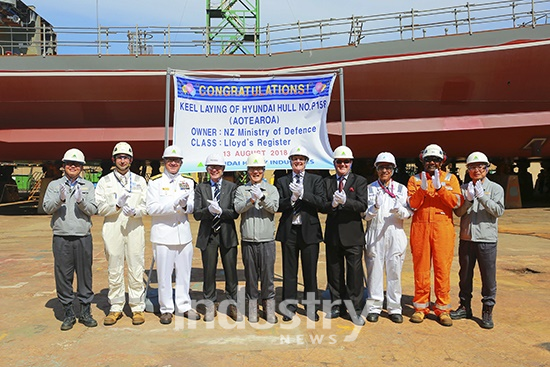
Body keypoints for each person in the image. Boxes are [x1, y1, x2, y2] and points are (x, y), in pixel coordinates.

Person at [407, 143, 463, 326]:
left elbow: (455, 203)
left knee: (442, 269)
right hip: (420, 227)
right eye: (429, 159)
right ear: (423, 160)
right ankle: (421, 307)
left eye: (436, 160)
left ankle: (442, 308)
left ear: (441, 161)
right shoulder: (414, 180)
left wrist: (440, 189)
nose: (432, 162)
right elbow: (412, 205)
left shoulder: (451, 179)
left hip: (443, 229)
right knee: (421, 269)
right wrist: (423, 189)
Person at [42, 148, 98, 331]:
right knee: (63, 276)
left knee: (85, 275)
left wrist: (81, 201)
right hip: (62, 237)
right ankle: (68, 312)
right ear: (63, 166)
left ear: (82, 167)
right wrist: (60, 199)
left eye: (77, 164)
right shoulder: (54, 185)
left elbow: (93, 210)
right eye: (69, 164)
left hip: (83, 237)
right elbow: (47, 208)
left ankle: (85, 311)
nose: (73, 167)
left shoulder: (88, 186)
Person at [146, 145, 200, 324]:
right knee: (164, 275)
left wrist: (185, 206)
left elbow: (191, 207)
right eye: (170, 161)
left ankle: (184, 305)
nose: (173, 163)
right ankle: (166, 308)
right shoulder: (155, 182)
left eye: (176, 161)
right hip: (163, 235)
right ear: (164, 162)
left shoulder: (188, 182)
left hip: (183, 234)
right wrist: (174, 204)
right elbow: (151, 208)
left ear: (181, 163)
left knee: (184, 273)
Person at [95, 142, 147, 326]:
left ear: (131, 160)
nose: (122, 160)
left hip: (134, 226)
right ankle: (115, 307)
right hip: (112, 226)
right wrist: (116, 206)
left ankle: (137, 307)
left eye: (126, 157)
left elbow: (147, 205)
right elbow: (99, 208)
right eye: (119, 157)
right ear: (113, 159)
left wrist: (136, 211)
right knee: (114, 266)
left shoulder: (140, 181)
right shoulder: (105, 181)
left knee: (136, 266)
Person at [450, 152, 505, 329]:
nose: (477, 170)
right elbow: (458, 213)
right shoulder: (464, 188)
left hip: (486, 240)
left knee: (488, 277)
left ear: (487, 169)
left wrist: (482, 197)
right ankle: (464, 306)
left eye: (480, 167)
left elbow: (498, 211)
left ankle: (487, 310)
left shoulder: (496, 189)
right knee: (465, 276)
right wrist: (468, 200)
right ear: (468, 169)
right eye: (473, 167)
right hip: (467, 238)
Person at [275, 146, 325, 322]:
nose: (298, 162)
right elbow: (277, 205)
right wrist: (291, 200)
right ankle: (289, 307)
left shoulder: (315, 180)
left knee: (310, 271)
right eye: (295, 159)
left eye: (301, 159)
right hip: (289, 230)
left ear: (306, 162)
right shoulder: (282, 180)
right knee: (289, 271)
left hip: (309, 230)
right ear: (290, 161)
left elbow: (321, 202)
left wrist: (303, 195)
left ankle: (311, 307)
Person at [321, 145, 368, 326]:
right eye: (339, 161)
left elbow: (362, 205)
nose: (342, 164)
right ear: (334, 163)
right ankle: (336, 305)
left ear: (351, 163)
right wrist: (332, 205)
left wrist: (346, 202)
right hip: (333, 234)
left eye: (345, 161)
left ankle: (355, 309)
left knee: (355, 274)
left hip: (352, 235)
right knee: (334, 271)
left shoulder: (359, 181)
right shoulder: (328, 182)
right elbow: (322, 205)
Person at [363, 152, 411, 324]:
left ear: (393, 169)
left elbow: (408, 214)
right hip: (375, 234)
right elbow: (365, 216)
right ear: (376, 169)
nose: (384, 170)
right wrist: (374, 207)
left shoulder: (401, 189)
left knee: (394, 272)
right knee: (374, 272)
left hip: (395, 233)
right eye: (381, 167)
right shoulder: (369, 189)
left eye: (388, 167)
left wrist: (400, 211)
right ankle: (375, 307)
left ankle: (394, 307)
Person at [193, 153, 242, 322]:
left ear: (223, 169)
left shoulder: (232, 187)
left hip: (227, 234)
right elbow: (197, 214)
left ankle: (232, 304)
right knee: (209, 271)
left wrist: (221, 212)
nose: (215, 170)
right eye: (211, 167)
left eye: (218, 167)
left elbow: (235, 213)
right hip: (209, 235)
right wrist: (209, 211)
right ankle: (209, 303)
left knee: (231, 271)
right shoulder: (201, 188)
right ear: (207, 169)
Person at [234, 153, 279, 324]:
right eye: (253, 169)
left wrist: (263, 197)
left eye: (259, 169)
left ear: (264, 171)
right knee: (251, 276)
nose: (256, 172)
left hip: (267, 240)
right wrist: (251, 200)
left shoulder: (272, 190)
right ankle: (252, 308)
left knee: (267, 277)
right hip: (248, 241)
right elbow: (238, 208)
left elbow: (275, 207)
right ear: (248, 171)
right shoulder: (241, 190)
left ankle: (268, 308)